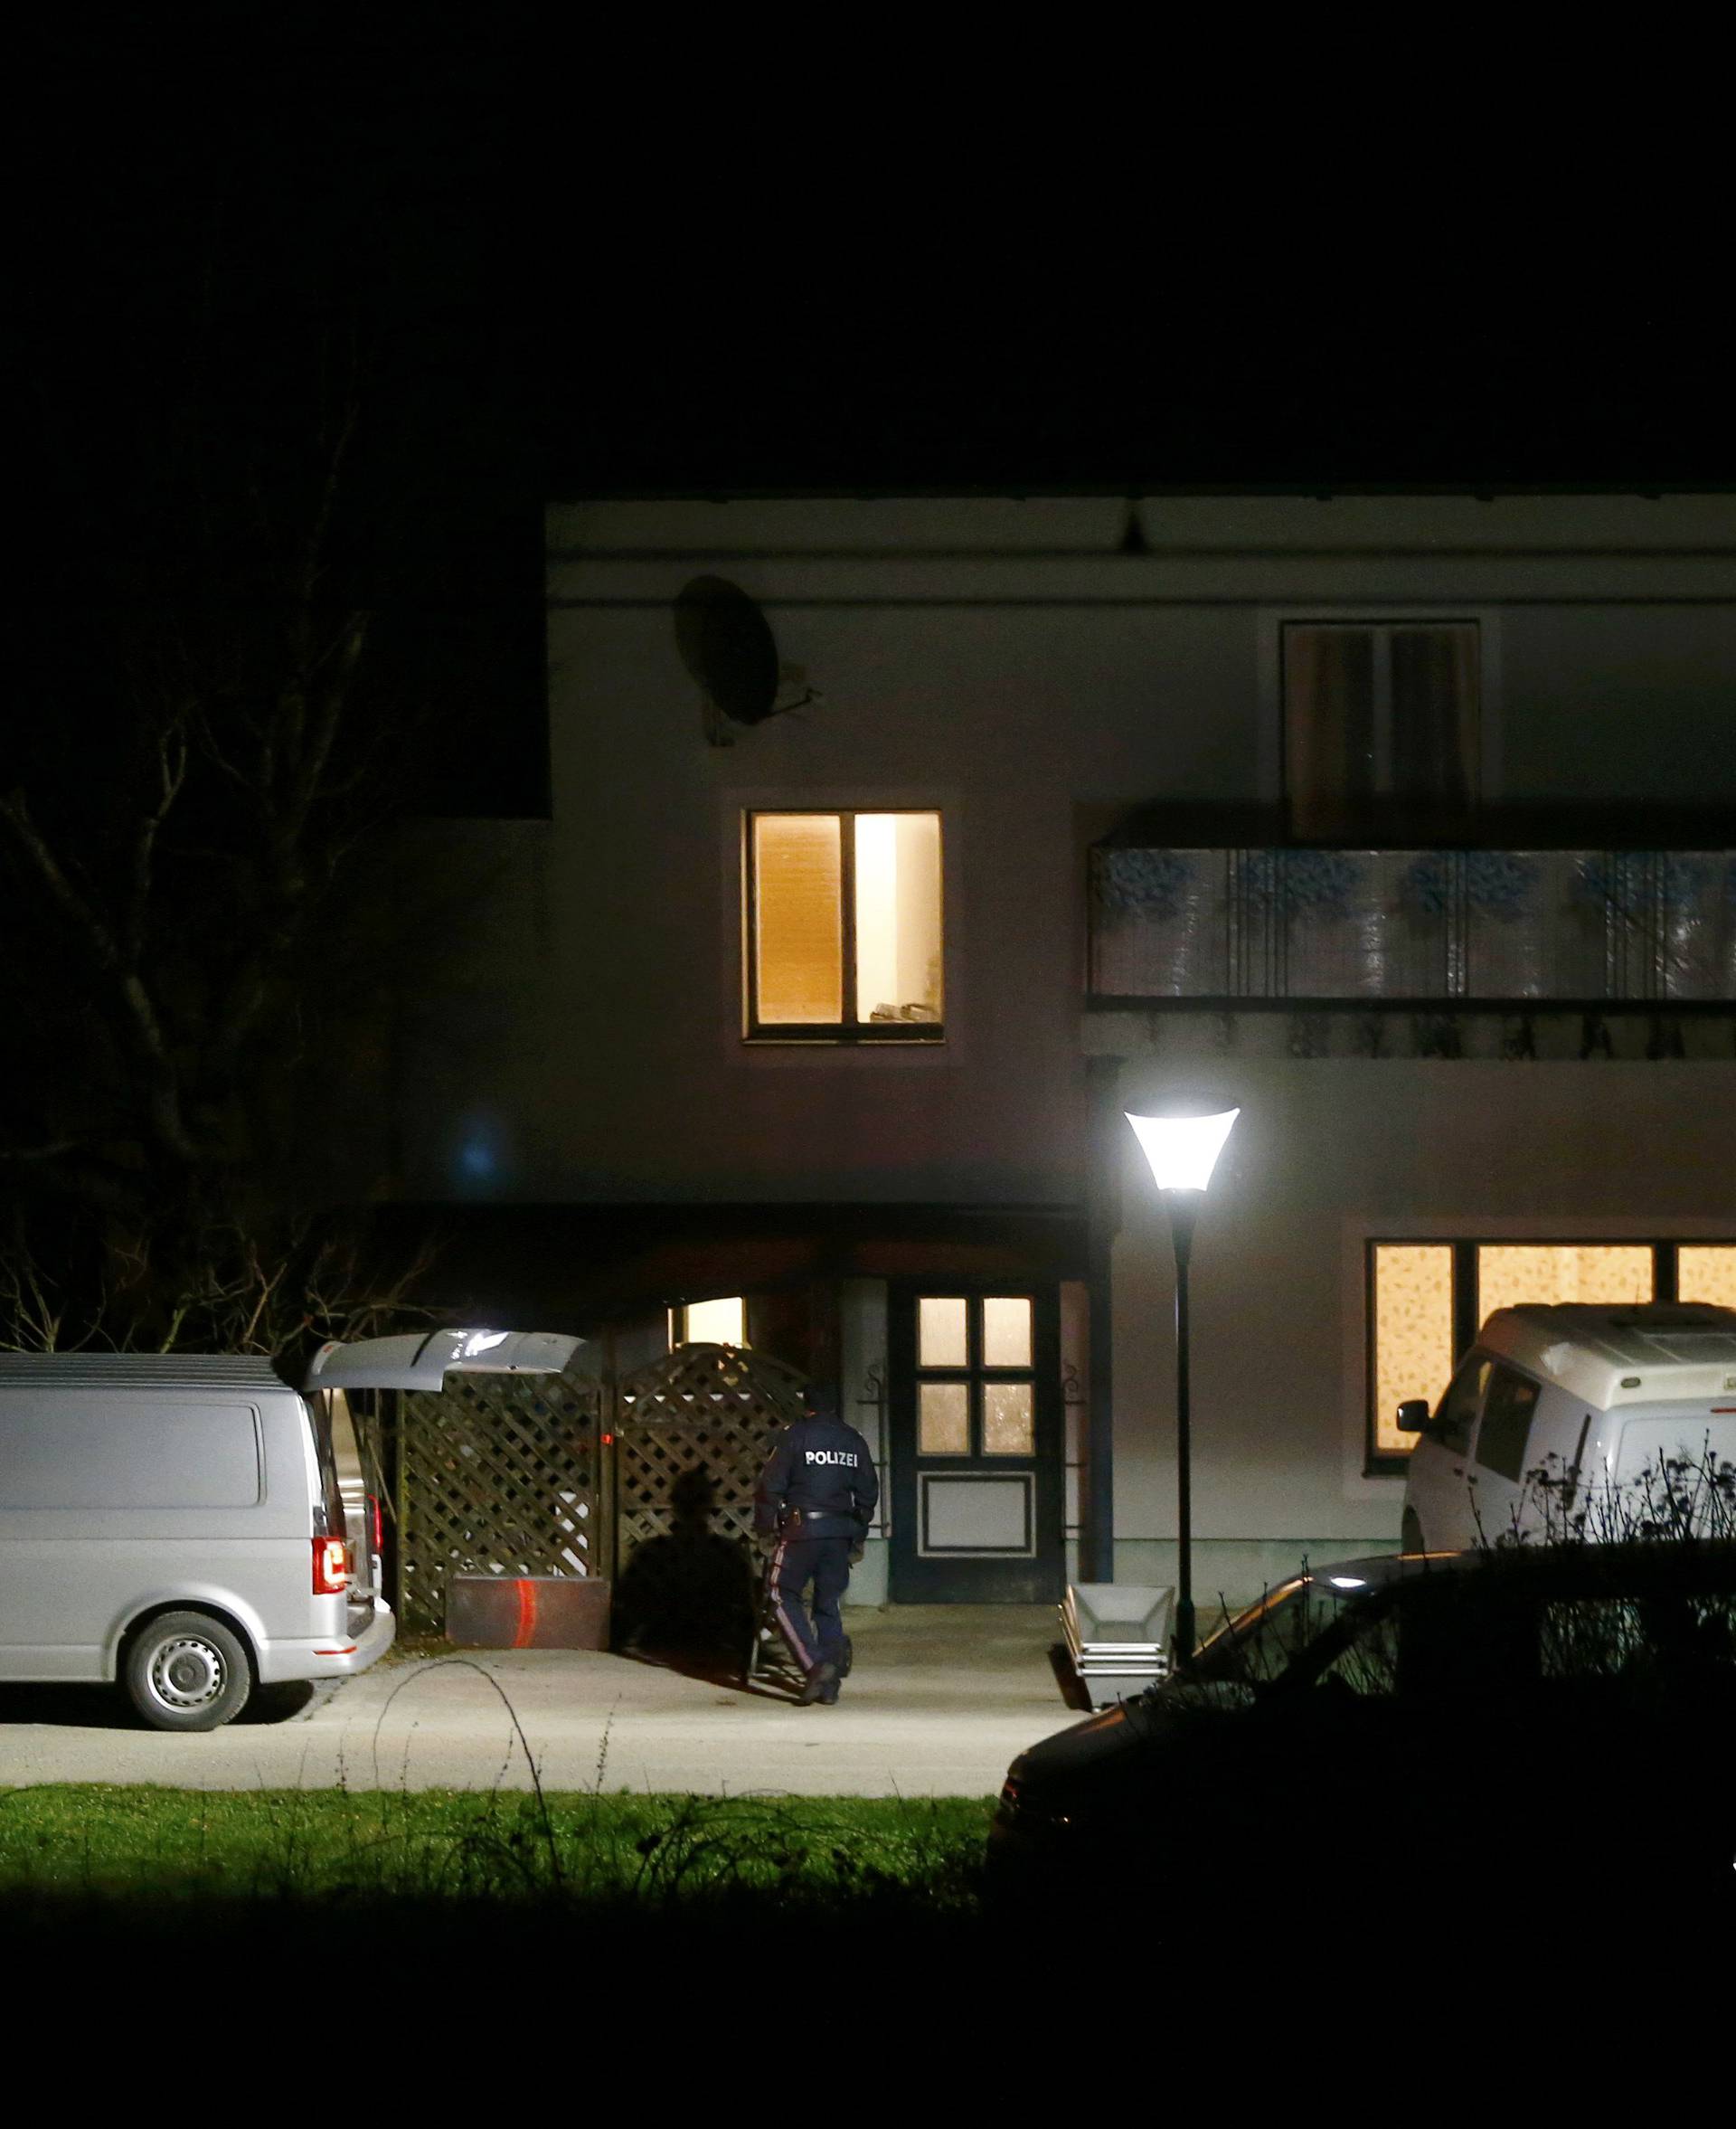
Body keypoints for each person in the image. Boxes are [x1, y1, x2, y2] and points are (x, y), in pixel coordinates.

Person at [754, 1389, 879, 1705]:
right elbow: (868, 1492)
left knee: (781, 1593)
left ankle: (814, 1665)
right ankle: (830, 1684)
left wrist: (765, 1529)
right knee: (828, 1603)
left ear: (806, 1406)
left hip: (801, 1531)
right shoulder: (853, 1439)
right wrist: (858, 1531)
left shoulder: (794, 1436)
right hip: (839, 1533)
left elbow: (770, 1486)